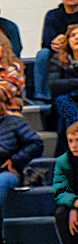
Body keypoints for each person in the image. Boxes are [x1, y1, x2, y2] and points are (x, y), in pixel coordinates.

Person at [33, 0, 78, 102]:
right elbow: (46, 43)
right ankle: (42, 96)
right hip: (60, 55)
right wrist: (56, 43)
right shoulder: (53, 15)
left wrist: (67, 38)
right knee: (42, 54)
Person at [48, 23, 78, 151]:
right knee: (64, 101)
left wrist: (70, 84)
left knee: (65, 119)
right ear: (68, 41)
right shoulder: (57, 60)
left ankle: (65, 153)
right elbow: (54, 85)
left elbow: (63, 84)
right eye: (73, 35)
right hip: (65, 101)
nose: (77, 38)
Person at [53, 122, 78, 244]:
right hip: (74, 201)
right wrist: (74, 204)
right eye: (70, 141)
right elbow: (60, 190)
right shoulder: (63, 161)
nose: (74, 145)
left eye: (77, 140)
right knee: (62, 214)